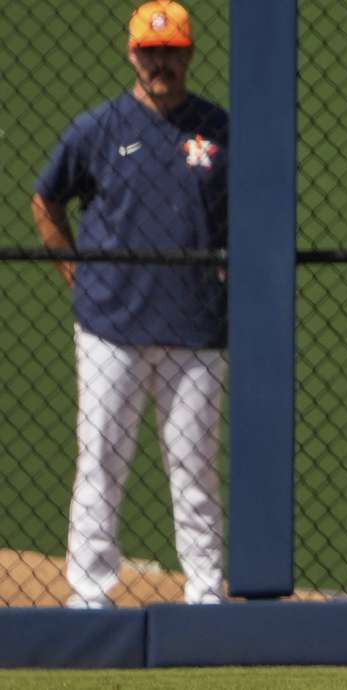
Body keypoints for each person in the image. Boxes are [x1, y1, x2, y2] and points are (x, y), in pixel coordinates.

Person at [30, 0, 227, 608]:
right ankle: (89, 595)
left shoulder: (220, 129)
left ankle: (205, 595)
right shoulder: (98, 128)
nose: (159, 62)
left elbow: (247, 213)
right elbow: (47, 204)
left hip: (196, 328)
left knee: (194, 469)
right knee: (101, 463)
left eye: (170, 51)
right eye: (149, 51)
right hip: (111, 325)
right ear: (131, 54)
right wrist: (78, 278)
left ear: (189, 53)